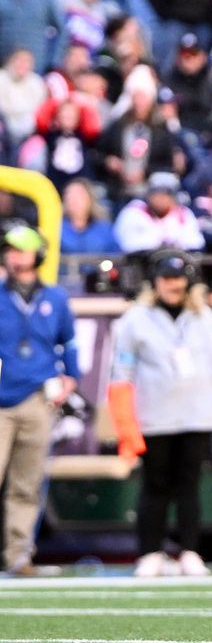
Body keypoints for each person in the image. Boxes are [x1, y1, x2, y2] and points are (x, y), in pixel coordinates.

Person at [107, 250, 212, 577]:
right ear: (155, 282)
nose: (173, 285)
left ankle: (190, 550)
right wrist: (126, 425)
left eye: (178, 278)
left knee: (190, 486)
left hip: (198, 414)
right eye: (166, 278)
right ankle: (150, 551)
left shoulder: (205, 317)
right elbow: (121, 374)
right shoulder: (136, 319)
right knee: (155, 484)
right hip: (155, 416)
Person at [0, 224, 79, 575]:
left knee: (26, 484)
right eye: (9, 250)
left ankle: (18, 554)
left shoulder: (56, 299)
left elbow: (69, 343)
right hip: (1, 398)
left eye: (20, 249)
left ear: (37, 254)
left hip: (36, 398)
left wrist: (70, 378)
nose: (13, 255)